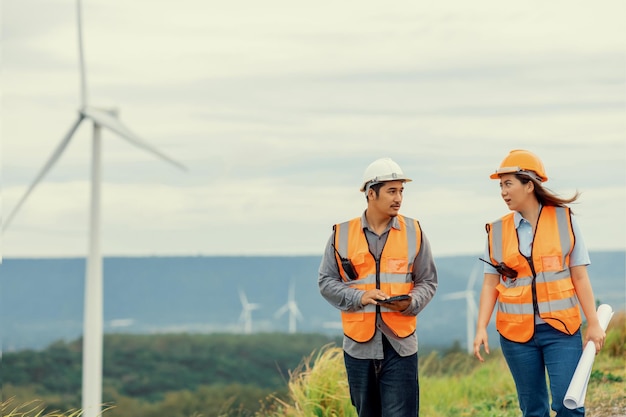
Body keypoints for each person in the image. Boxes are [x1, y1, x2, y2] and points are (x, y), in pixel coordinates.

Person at [473, 149, 606, 417]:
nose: (503, 191)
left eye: (508, 183)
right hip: (515, 335)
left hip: (561, 329)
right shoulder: (496, 230)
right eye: (500, 185)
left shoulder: (563, 220)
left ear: (529, 185)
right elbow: (489, 284)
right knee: (533, 409)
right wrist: (480, 328)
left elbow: (579, 275)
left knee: (569, 405)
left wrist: (592, 322)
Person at [318, 157, 438, 417]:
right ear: (371, 193)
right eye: (392, 191)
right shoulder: (341, 234)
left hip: (401, 344)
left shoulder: (414, 231)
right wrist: (360, 297)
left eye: (401, 191)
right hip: (358, 346)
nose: (399, 198)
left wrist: (412, 302)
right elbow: (326, 282)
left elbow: (428, 281)